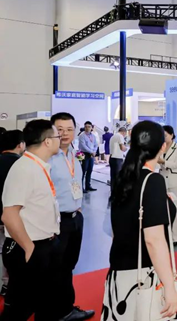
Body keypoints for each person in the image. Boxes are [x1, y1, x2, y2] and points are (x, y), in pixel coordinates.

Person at [102, 121, 177, 320]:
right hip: (143, 274)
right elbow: (153, 240)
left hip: (119, 272)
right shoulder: (153, 181)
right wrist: (170, 287)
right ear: (162, 146)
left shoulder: (124, 176)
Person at [1, 120, 61, 320]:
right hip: (29, 247)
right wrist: (29, 248)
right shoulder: (24, 169)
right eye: (57, 135)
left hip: (46, 243)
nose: (61, 139)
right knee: (21, 307)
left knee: (46, 302)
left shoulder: (39, 166)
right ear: (47, 142)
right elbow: (9, 215)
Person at [48, 113, 95, 321]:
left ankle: (66, 309)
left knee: (68, 266)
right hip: (56, 222)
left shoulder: (73, 154)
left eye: (69, 129)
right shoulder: (48, 157)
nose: (64, 134)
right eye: (59, 129)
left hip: (75, 218)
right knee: (55, 269)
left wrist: (78, 209)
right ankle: (55, 312)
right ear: (51, 131)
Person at [0, 130, 25, 296]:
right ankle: (8, 285)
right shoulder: (21, 165)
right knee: (13, 252)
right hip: (14, 218)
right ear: (20, 144)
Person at [159, 126, 177, 245]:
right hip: (161, 180)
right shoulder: (160, 147)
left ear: (172, 135)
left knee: (175, 209)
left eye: (166, 135)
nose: (164, 137)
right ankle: (164, 236)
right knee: (162, 210)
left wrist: (164, 162)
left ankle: (175, 237)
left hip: (174, 180)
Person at [78, 121, 98, 192]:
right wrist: (91, 152)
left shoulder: (93, 136)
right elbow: (83, 146)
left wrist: (94, 151)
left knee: (90, 170)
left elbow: (96, 145)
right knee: (83, 171)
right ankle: (81, 187)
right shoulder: (82, 135)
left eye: (89, 127)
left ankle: (88, 186)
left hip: (91, 154)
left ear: (91, 128)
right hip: (82, 154)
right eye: (86, 127)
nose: (87, 128)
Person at [109, 127, 127, 193]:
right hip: (117, 159)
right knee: (118, 176)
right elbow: (122, 148)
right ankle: (117, 192)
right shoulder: (120, 136)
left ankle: (113, 191)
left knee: (113, 176)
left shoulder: (113, 137)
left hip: (111, 158)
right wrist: (126, 148)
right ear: (124, 132)